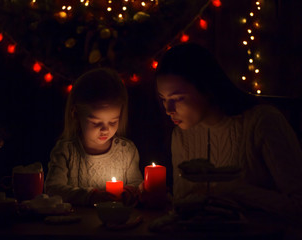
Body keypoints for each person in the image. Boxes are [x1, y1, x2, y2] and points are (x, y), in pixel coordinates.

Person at [155, 43, 302, 223]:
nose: (168, 109)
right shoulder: (181, 134)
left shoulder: (262, 122)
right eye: (163, 99)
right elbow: (183, 202)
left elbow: (298, 205)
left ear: (207, 89)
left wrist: (234, 190)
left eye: (178, 98)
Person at [45, 68, 143, 206]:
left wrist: (129, 192)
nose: (105, 129)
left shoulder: (126, 151)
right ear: (75, 114)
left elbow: (137, 184)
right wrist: (91, 197)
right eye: (96, 122)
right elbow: (53, 189)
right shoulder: (66, 151)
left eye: (113, 121)